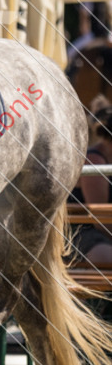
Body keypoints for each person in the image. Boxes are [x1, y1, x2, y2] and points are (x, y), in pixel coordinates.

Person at [70, 105, 112, 267]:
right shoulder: (94, 160)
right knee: (107, 257)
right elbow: (101, 220)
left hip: (102, 231)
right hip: (80, 232)